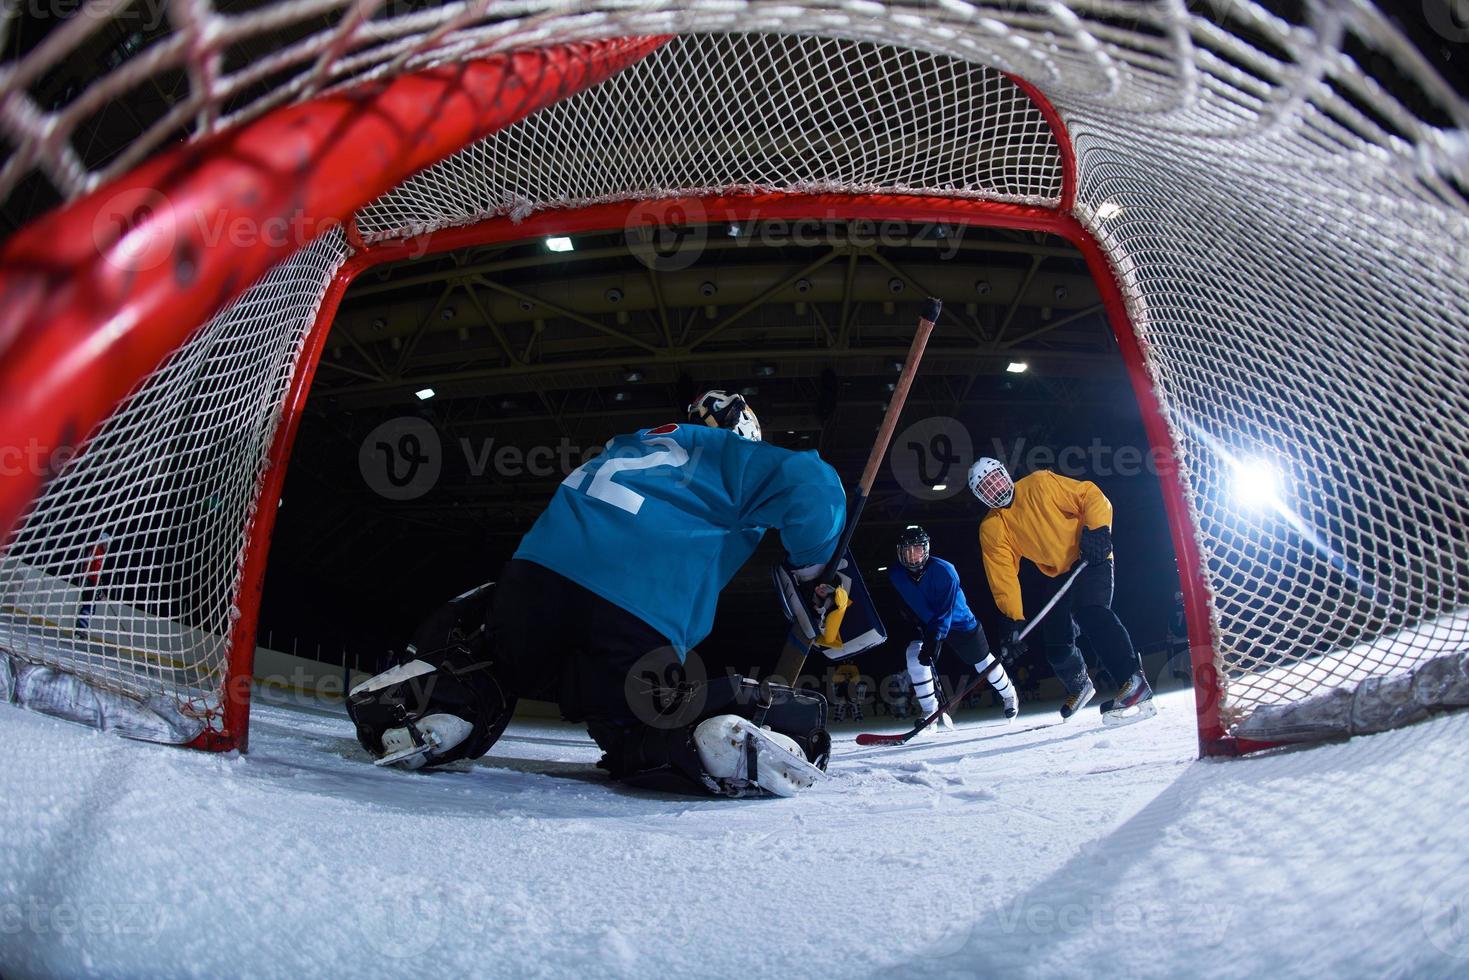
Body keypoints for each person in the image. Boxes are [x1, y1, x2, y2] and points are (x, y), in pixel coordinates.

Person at [348, 390, 847, 797]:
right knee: (634, 724)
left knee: (490, 660)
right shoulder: (734, 457)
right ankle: (700, 739)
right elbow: (814, 485)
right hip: (636, 613)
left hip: (531, 592)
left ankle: (449, 704)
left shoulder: (628, 443)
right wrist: (814, 572)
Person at [968, 457, 1155, 725]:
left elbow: (1090, 495)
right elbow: (1003, 575)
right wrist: (1012, 619)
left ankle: (1133, 681)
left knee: (1091, 613)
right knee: (1056, 644)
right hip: (1059, 573)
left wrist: (1098, 530)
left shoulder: (1040, 484)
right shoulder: (992, 528)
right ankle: (1079, 684)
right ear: (981, 497)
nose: (994, 487)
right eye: (985, 487)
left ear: (1005, 474)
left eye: (995, 478)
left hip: (1090, 556)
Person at [888, 525, 1018, 734]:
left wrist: (935, 638)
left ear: (926, 549)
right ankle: (929, 712)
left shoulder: (945, 571)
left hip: (959, 623)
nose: (912, 556)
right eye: (907, 550)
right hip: (928, 623)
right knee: (914, 656)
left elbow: (945, 611)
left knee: (983, 663)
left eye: (917, 549)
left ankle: (1009, 694)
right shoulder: (896, 573)